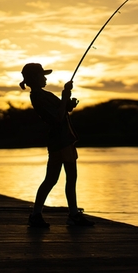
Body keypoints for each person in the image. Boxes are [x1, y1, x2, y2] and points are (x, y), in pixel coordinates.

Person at [19, 63, 94, 227]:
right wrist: (65, 96)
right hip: (61, 142)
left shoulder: (43, 94)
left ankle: (37, 214)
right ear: (34, 78)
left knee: (52, 179)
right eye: (42, 75)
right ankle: (72, 215)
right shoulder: (38, 97)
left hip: (59, 141)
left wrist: (68, 101)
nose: (45, 78)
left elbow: (62, 110)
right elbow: (58, 118)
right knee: (66, 178)